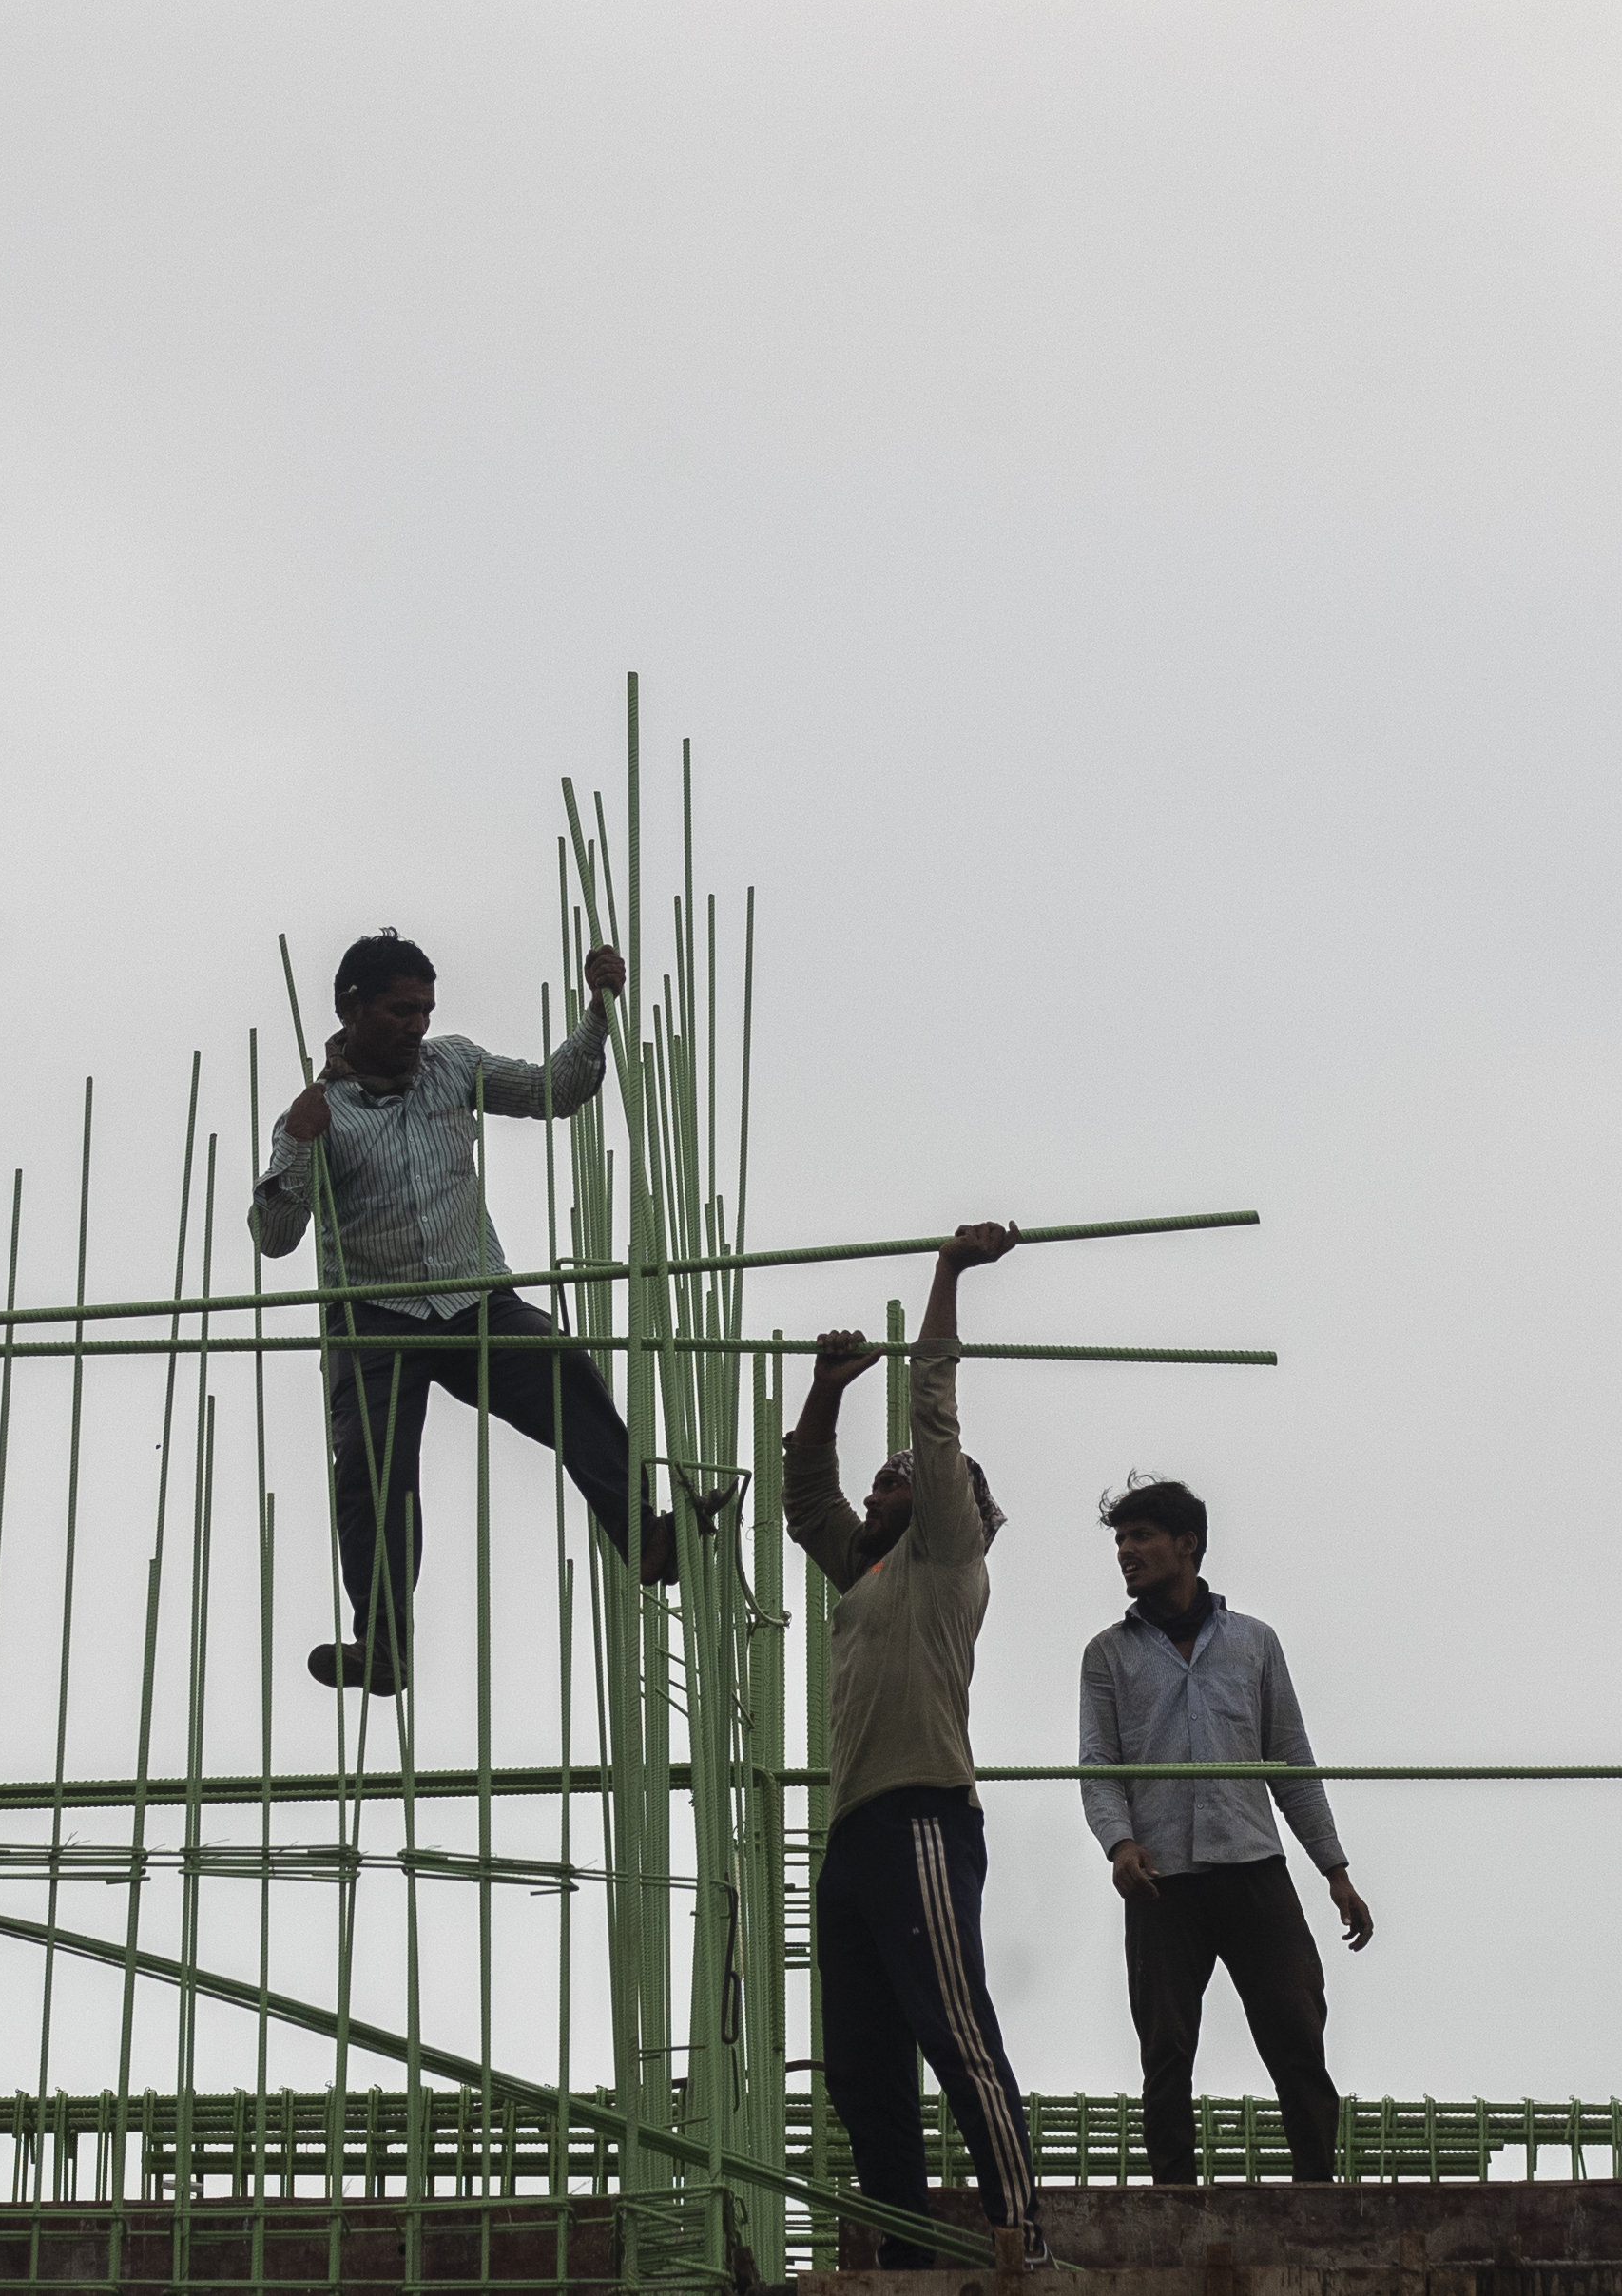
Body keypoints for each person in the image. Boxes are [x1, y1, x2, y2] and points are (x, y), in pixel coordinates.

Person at [251, 929, 712, 1698]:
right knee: (371, 1468)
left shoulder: (452, 1065)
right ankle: (384, 1644)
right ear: (352, 1007)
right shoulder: (315, 1114)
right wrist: (300, 1143)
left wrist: (597, 1011)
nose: (416, 1025)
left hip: (474, 1301)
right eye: (401, 1010)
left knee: (565, 1370)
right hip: (374, 1319)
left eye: (425, 1009)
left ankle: (645, 1538)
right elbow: (274, 1238)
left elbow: (555, 1093)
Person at [783, 1223, 1042, 2269]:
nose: (886, 1484)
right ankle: (902, 2247)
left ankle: (1022, 2222)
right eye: (881, 1479)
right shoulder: (868, 1572)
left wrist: (946, 1273)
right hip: (853, 1831)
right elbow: (805, 1494)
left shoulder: (947, 1561)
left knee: (953, 2028)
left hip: (924, 1812)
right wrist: (827, 1388)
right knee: (861, 2067)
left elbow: (935, 1413)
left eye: (903, 1479)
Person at [1079, 1476, 1372, 2186]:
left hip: (1252, 1864)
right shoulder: (1108, 1654)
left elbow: (1291, 1761)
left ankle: (1315, 2190)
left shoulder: (1253, 1643)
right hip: (1160, 1879)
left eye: (1142, 1535)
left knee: (1298, 2030)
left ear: (1188, 1544)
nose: (1127, 1551)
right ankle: (1173, 2197)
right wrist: (1120, 1845)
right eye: (1121, 1538)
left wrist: (1334, 1870)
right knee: (1166, 2047)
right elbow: (1098, 1765)